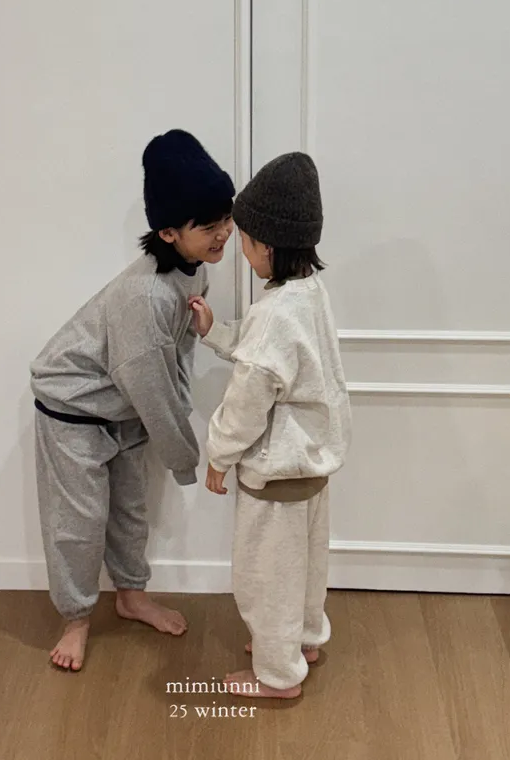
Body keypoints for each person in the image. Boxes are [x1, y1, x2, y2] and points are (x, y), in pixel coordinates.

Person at [31, 130, 234, 671]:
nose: (224, 232)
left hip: (122, 405)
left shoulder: (196, 270)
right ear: (168, 232)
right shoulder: (144, 295)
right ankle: (76, 619)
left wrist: (177, 412)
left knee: (130, 508)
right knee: (77, 522)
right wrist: (185, 456)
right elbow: (149, 383)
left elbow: (177, 355)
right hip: (74, 406)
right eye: (208, 225)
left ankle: (130, 596)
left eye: (226, 217)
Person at [190, 152, 350, 699]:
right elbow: (272, 353)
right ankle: (303, 640)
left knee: (266, 578)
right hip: (312, 467)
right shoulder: (308, 296)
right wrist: (217, 332)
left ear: (269, 247)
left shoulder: (275, 314)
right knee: (305, 567)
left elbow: (248, 399)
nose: (240, 247)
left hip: (276, 473)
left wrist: (219, 454)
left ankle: (278, 674)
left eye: (245, 239)